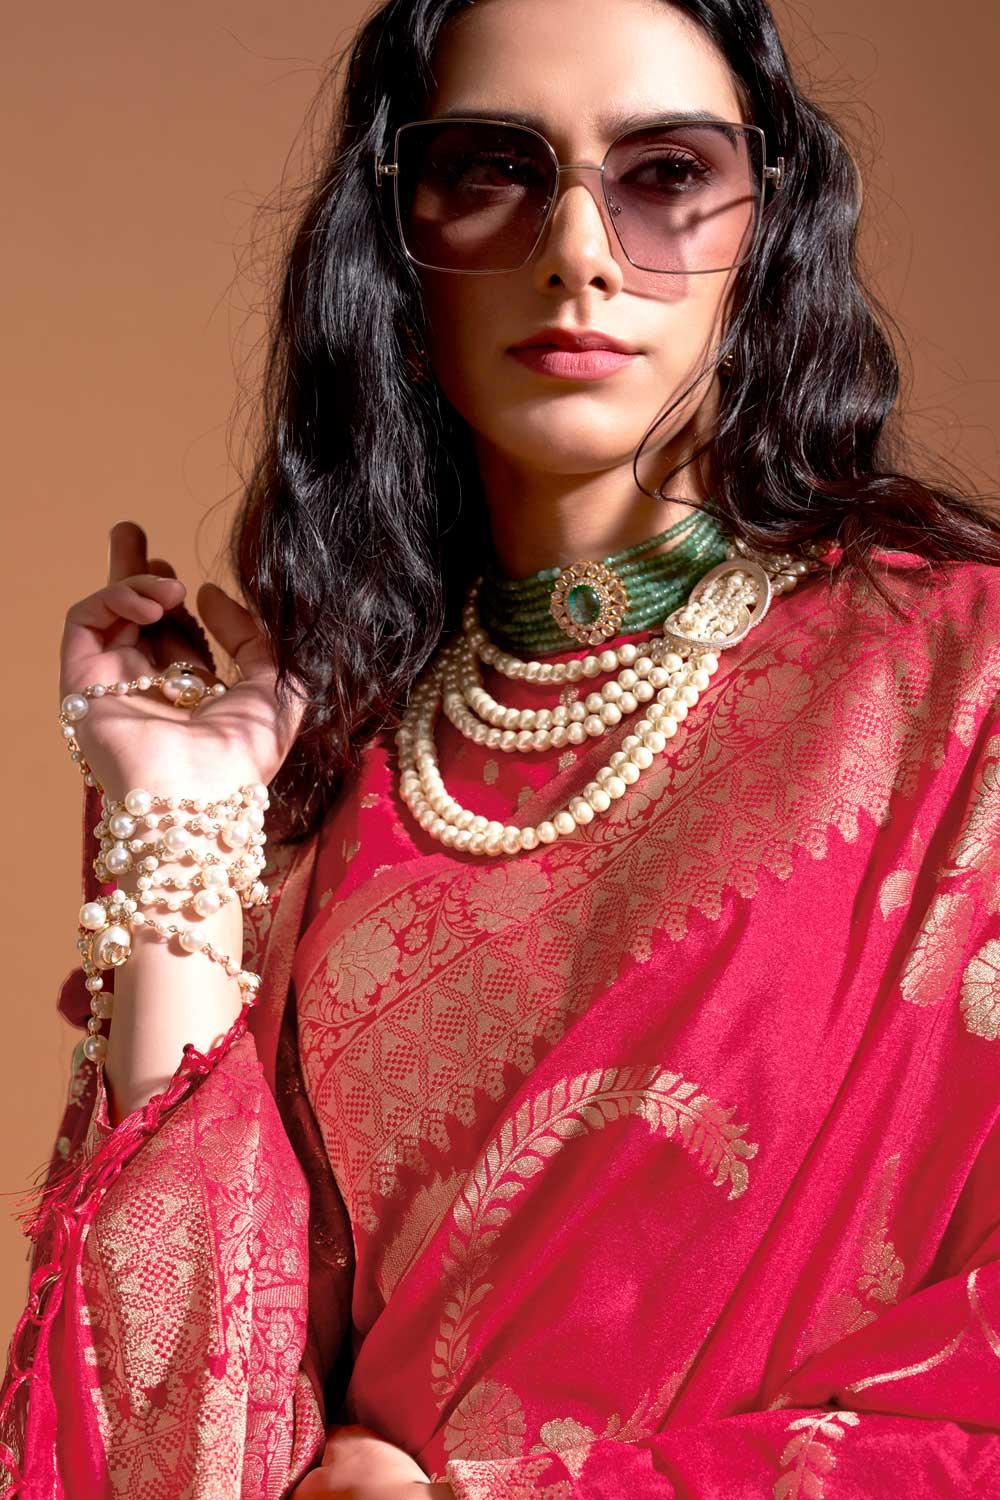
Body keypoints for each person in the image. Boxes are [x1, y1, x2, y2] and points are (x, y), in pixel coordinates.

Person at [2, 0, 999, 1494]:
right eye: (492, 171)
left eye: (668, 174)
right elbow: (161, 1445)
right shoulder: (315, 767)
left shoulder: (961, 695)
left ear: (768, 234)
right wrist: (183, 828)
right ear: (397, 250)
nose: (579, 252)